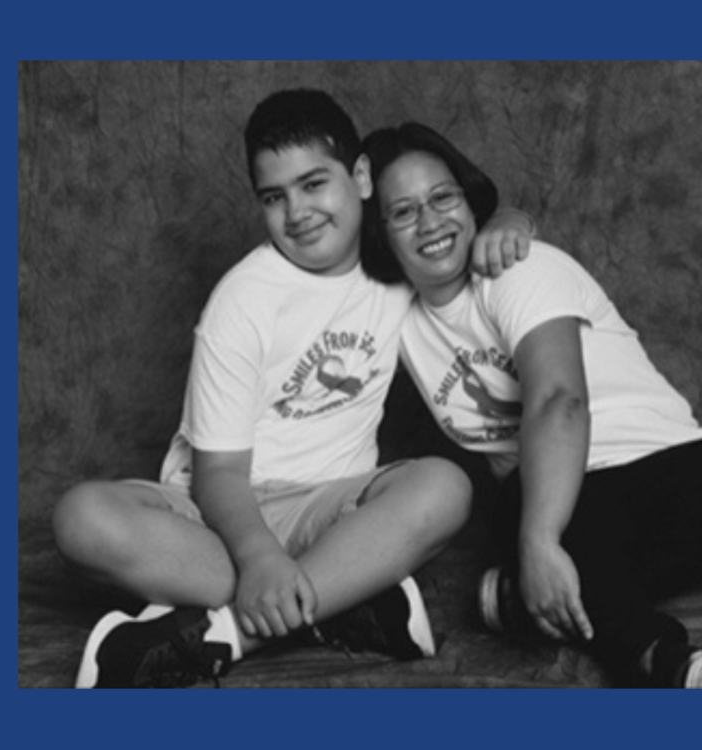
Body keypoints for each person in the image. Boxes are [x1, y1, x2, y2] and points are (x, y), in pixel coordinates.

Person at [51, 91, 534, 688]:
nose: (297, 212)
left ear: (360, 177)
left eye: (313, 184)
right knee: (82, 519)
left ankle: (230, 630)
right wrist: (259, 560)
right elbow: (218, 474)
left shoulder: (396, 262)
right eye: (274, 197)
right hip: (214, 515)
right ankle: (343, 599)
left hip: (331, 510)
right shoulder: (243, 299)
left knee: (445, 487)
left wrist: (509, 220)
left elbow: (450, 229)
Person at [359, 122, 702, 688]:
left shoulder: (520, 269)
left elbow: (559, 400)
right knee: (536, 501)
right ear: (379, 232)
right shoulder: (390, 314)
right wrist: (539, 532)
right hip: (561, 497)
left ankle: (525, 599)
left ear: (467, 197)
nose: (431, 222)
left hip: (661, 471)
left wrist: (537, 546)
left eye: (443, 197)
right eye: (403, 212)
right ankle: (675, 664)